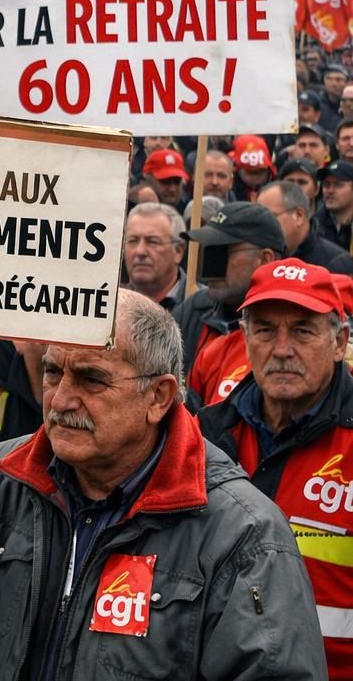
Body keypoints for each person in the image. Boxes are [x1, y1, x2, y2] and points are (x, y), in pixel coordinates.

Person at [0, 289, 326, 681]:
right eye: (52, 373)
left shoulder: (241, 533)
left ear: (159, 396)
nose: (62, 399)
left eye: (91, 379)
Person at [199, 259, 353, 675]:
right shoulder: (202, 436)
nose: (282, 349)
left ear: (339, 343)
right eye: (265, 329)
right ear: (245, 338)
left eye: (303, 330)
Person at [186, 203, 287, 405]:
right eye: (209, 251)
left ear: (265, 259)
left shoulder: (296, 325)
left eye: (222, 251)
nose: (211, 264)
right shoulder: (194, 310)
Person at [257, 179, 353, 275]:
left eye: (270, 217)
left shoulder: (334, 263)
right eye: (258, 219)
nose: (262, 226)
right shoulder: (258, 256)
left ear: (299, 216)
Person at [122, 202, 186, 309]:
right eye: (133, 241)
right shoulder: (111, 303)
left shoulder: (204, 308)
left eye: (152, 242)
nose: (140, 251)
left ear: (178, 251)